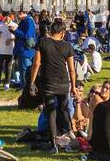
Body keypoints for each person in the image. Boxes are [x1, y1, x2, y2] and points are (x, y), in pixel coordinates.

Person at [30, 18, 77, 150]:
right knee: (63, 109)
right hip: (63, 82)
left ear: (51, 30)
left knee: (51, 112)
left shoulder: (43, 42)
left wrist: (32, 81)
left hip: (48, 82)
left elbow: (37, 63)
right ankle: (69, 131)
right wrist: (73, 86)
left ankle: (53, 143)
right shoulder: (67, 46)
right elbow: (72, 69)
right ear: (63, 32)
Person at [0, 12, 15, 90]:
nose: (6, 18)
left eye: (8, 16)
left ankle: (7, 84)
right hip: (0, 50)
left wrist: (11, 39)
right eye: (5, 16)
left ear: (11, 17)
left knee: (8, 68)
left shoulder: (14, 25)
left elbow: (18, 37)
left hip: (10, 50)